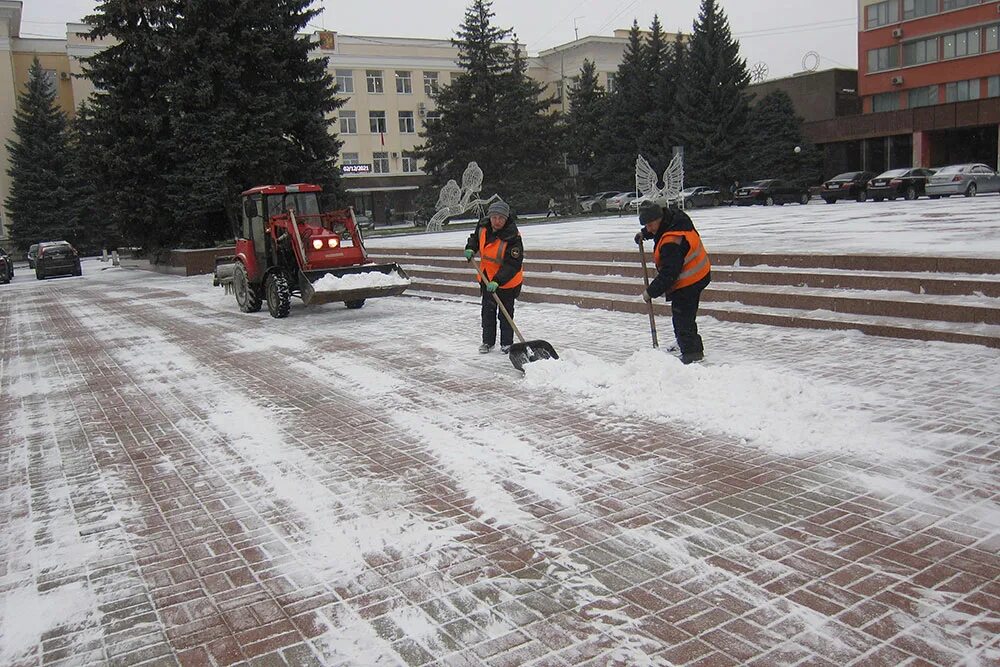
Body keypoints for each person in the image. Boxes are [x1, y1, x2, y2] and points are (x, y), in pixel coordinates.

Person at [634, 200, 711, 364]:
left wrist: (650, 292)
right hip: (699, 272)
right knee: (685, 318)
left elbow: (670, 272)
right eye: (646, 225)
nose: (649, 229)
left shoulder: (671, 242)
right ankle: (690, 347)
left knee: (683, 320)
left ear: (659, 218)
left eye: (650, 225)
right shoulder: (675, 219)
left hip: (691, 279)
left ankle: (692, 356)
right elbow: (660, 229)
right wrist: (645, 234)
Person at [464, 200, 524, 354]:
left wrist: (498, 280)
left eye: (501, 218)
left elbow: (513, 264)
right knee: (488, 312)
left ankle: (507, 344)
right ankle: (487, 342)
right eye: (494, 217)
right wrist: (471, 247)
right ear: (490, 216)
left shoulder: (513, 237)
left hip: (507, 281)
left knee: (505, 313)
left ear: (506, 219)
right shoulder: (483, 226)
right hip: (486, 277)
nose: (497, 221)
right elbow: (475, 238)